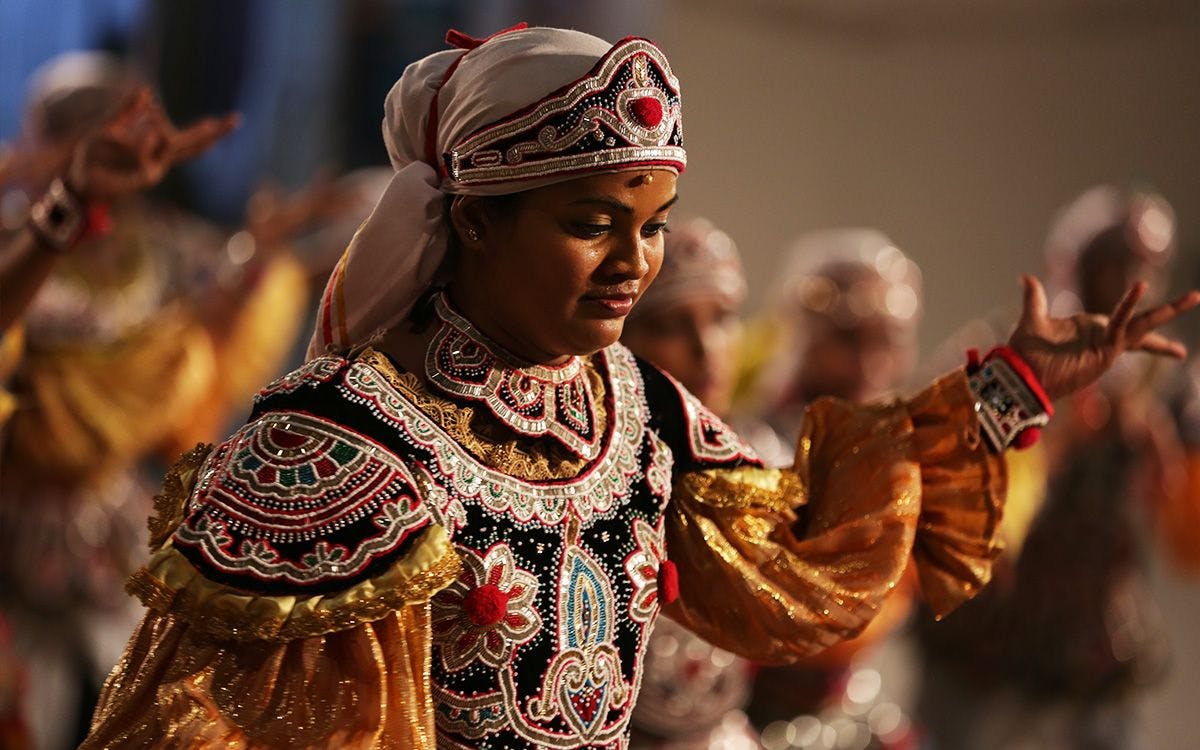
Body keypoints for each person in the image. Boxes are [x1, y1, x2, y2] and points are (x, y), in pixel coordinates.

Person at [79, 26, 1198, 749]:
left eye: (650, 228)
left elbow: (800, 558)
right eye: (588, 224)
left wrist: (1003, 391)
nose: (632, 263)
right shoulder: (338, 450)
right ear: (473, 221)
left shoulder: (634, 409)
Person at [0, 52, 324, 750]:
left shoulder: (164, 250)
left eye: (128, 129)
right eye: (88, 131)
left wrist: (269, 254)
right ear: (53, 139)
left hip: (109, 522)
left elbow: (219, 305)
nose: (121, 146)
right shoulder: (16, 243)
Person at [914, 186, 1200, 750]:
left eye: (1147, 268)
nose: (1131, 284)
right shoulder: (1008, 350)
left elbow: (1185, 535)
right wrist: (1049, 421)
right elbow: (937, 449)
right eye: (1116, 264)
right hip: (990, 651)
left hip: (1094, 652)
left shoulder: (1162, 383)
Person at [745, 230, 924, 748]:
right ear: (804, 332)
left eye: (885, 341)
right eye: (849, 338)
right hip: (755, 711)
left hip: (857, 706)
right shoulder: (758, 447)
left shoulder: (903, 451)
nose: (869, 364)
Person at [620, 216, 759, 749]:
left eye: (724, 318)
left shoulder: (760, 465)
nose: (707, 349)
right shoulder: (588, 480)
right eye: (670, 324)